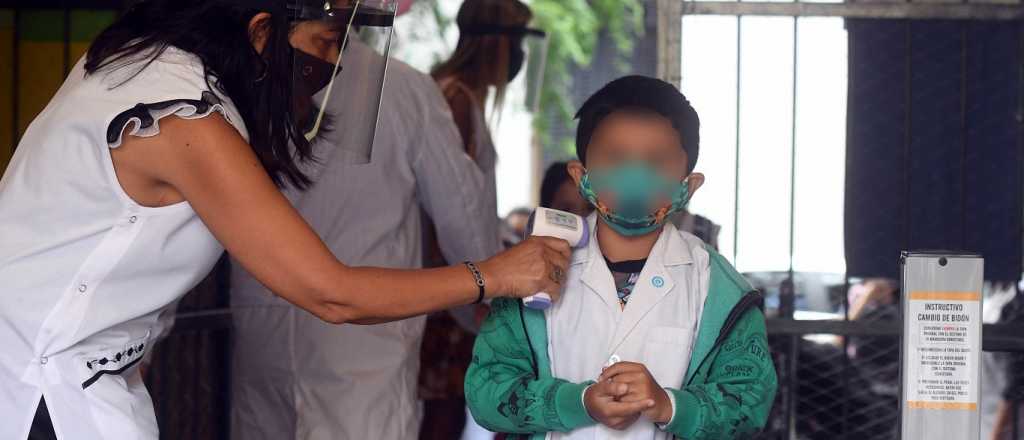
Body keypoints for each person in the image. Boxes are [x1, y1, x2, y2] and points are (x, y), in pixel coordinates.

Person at [0, 2, 570, 439]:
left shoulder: (138, 68)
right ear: (261, 32)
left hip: (85, 373)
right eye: (326, 41)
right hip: (44, 391)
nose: (337, 63)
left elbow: (108, 255)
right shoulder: (181, 119)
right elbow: (334, 294)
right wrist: (492, 274)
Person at [465, 76, 777, 439]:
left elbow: (750, 401)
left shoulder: (718, 287)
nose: (634, 175)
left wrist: (670, 406)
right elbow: (486, 389)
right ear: (581, 176)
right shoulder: (532, 268)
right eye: (615, 157)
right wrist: (576, 402)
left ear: (688, 185)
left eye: (656, 160)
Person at [229, 36, 499, 439]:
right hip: (364, 353)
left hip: (264, 334)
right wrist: (489, 299)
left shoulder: (247, 75)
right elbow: (465, 218)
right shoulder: (403, 89)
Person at [419, 1, 543, 437]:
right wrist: (481, 289)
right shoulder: (454, 100)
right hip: (449, 291)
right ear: (497, 43)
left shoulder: (453, 93)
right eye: (516, 43)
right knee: (444, 411)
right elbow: (452, 214)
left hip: (455, 285)